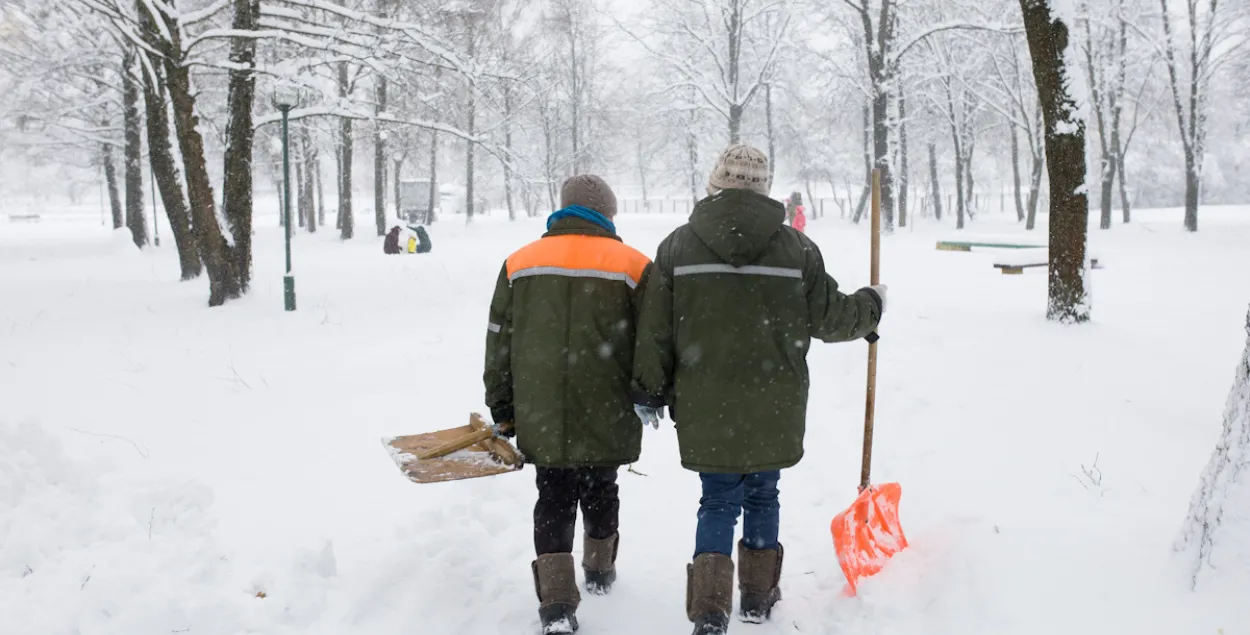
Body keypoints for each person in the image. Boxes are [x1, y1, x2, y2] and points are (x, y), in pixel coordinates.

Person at [630, 145, 885, 635]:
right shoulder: (796, 249)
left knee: (718, 498)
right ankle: (757, 598)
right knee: (764, 495)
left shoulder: (679, 247)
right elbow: (831, 320)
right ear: (764, 186)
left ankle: (708, 609)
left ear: (716, 183)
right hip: (776, 400)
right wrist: (871, 304)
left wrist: (649, 389)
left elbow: (654, 329)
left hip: (705, 401)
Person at [483, 174, 653, 635]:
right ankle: (599, 570)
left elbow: (500, 339)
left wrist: (502, 405)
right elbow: (652, 341)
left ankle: (557, 606)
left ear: (563, 210)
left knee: (553, 494)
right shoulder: (634, 264)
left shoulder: (520, 262)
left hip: (543, 405)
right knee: (602, 485)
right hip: (609, 401)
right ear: (607, 214)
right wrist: (653, 391)